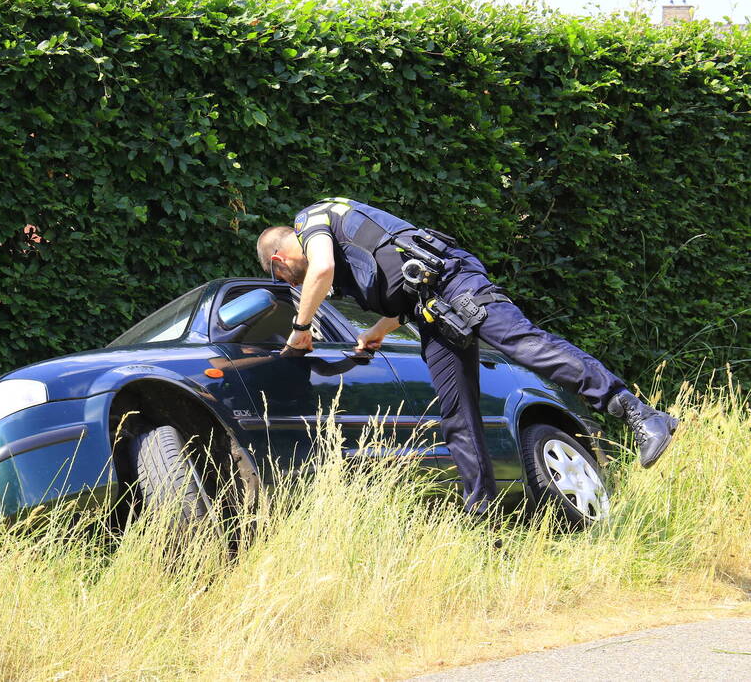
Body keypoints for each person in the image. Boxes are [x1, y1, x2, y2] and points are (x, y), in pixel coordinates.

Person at [256, 197, 678, 513]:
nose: (291, 282)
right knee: (457, 413)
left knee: (524, 344)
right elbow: (398, 298)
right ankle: (484, 514)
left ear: (278, 260)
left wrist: (300, 330)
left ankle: (640, 413)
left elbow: (321, 271)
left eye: (281, 276)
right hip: (429, 311)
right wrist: (375, 332)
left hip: (453, 282)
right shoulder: (341, 256)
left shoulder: (311, 219)